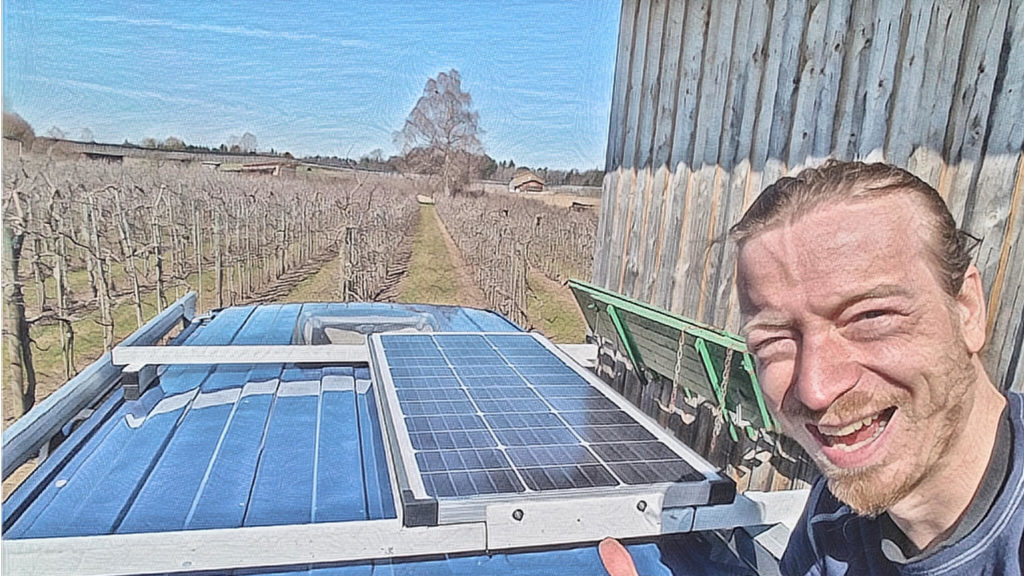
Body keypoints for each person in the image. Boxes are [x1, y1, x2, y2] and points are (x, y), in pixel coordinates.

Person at [600, 161, 1023, 575]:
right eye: (774, 341)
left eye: (869, 318)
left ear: (967, 310)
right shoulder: (832, 524)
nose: (816, 389)